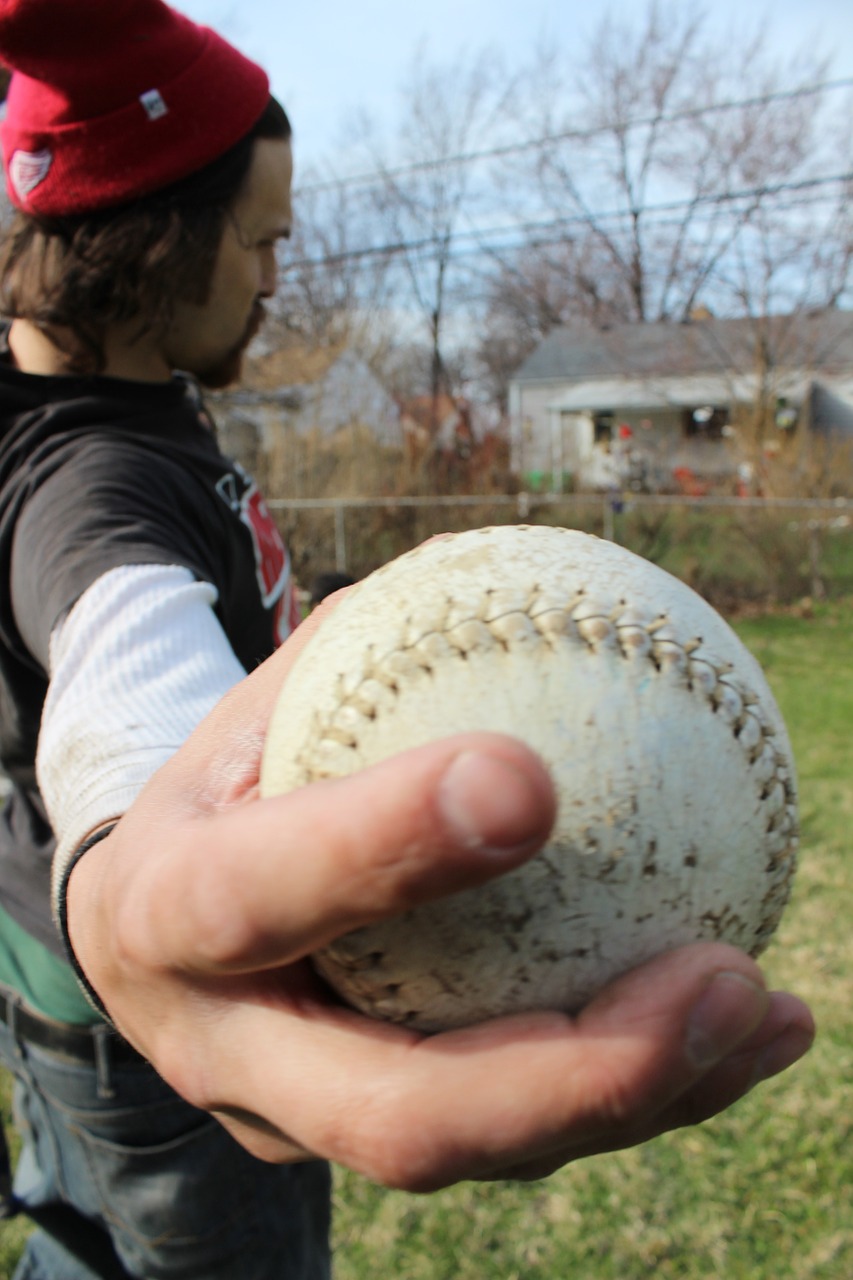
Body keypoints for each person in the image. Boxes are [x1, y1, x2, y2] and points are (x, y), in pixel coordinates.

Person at [0, 1, 815, 1277]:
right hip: (143, 1037)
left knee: (72, 1226)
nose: (276, 276)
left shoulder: (124, 406)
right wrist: (136, 850)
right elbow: (122, 642)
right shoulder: (86, 476)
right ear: (156, 228)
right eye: (260, 238)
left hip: (52, 1000)